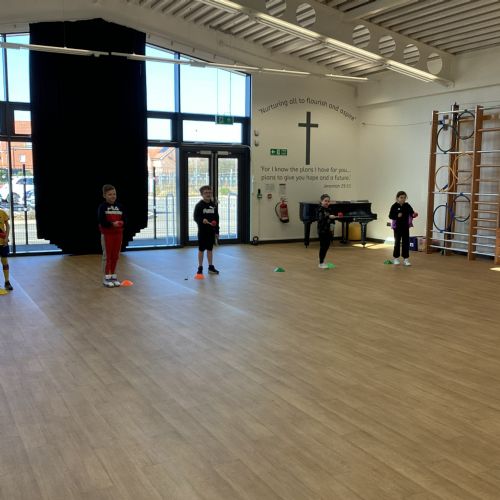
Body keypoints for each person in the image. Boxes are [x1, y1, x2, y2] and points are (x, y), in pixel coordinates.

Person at [98, 184, 125, 287]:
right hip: (107, 235)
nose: (113, 196)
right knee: (107, 256)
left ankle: (113, 276)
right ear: (104, 195)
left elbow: (125, 219)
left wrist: (121, 223)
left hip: (118, 235)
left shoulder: (120, 206)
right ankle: (106, 278)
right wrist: (112, 224)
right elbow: (101, 221)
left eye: (114, 194)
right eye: (110, 194)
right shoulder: (102, 207)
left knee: (115, 256)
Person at [193, 185, 219, 276]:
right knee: (201, 249)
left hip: (211, 232)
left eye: (209, 192)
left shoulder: (213, 205)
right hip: (202, 232)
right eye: (206, 193)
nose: (208, 194)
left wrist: (217, 231)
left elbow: (216, 219)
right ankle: (200, 267)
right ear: (202, 194)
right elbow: (195, 217)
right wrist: (201, 220)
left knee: (210, 249)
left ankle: (210, 267)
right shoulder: (199, 205)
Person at [389, 190, 417, 266]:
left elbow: (412, 213)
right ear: (397, 198)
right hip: (397, 228)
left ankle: (406, 259)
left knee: (406, 243)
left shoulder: (407, 205)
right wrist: (397, 216)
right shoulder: (394, 206)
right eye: (401, 197)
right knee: (397, 242)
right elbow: (390, 216)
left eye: (404, 197)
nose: (403, 199)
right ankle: (396, 258)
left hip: (405, 227)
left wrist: (414, 214)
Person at [317, 194, 338, 268]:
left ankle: (322, 259)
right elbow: (321, 218)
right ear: (321, 201)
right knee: (323, 246)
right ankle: (321, 263)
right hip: (322, 230)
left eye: (328, 201)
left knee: (327, 245)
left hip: (328, 230)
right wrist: (329, 216)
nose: (327, 202)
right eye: (325, 201)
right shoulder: (320, 209)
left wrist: (333, 223)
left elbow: (331, 220)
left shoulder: (329, 209)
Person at [0, 208, 13, 290]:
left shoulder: (2, 212)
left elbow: (7, 225)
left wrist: (6, 237)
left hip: (2, 242)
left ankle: (7, 282)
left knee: (5, 262)